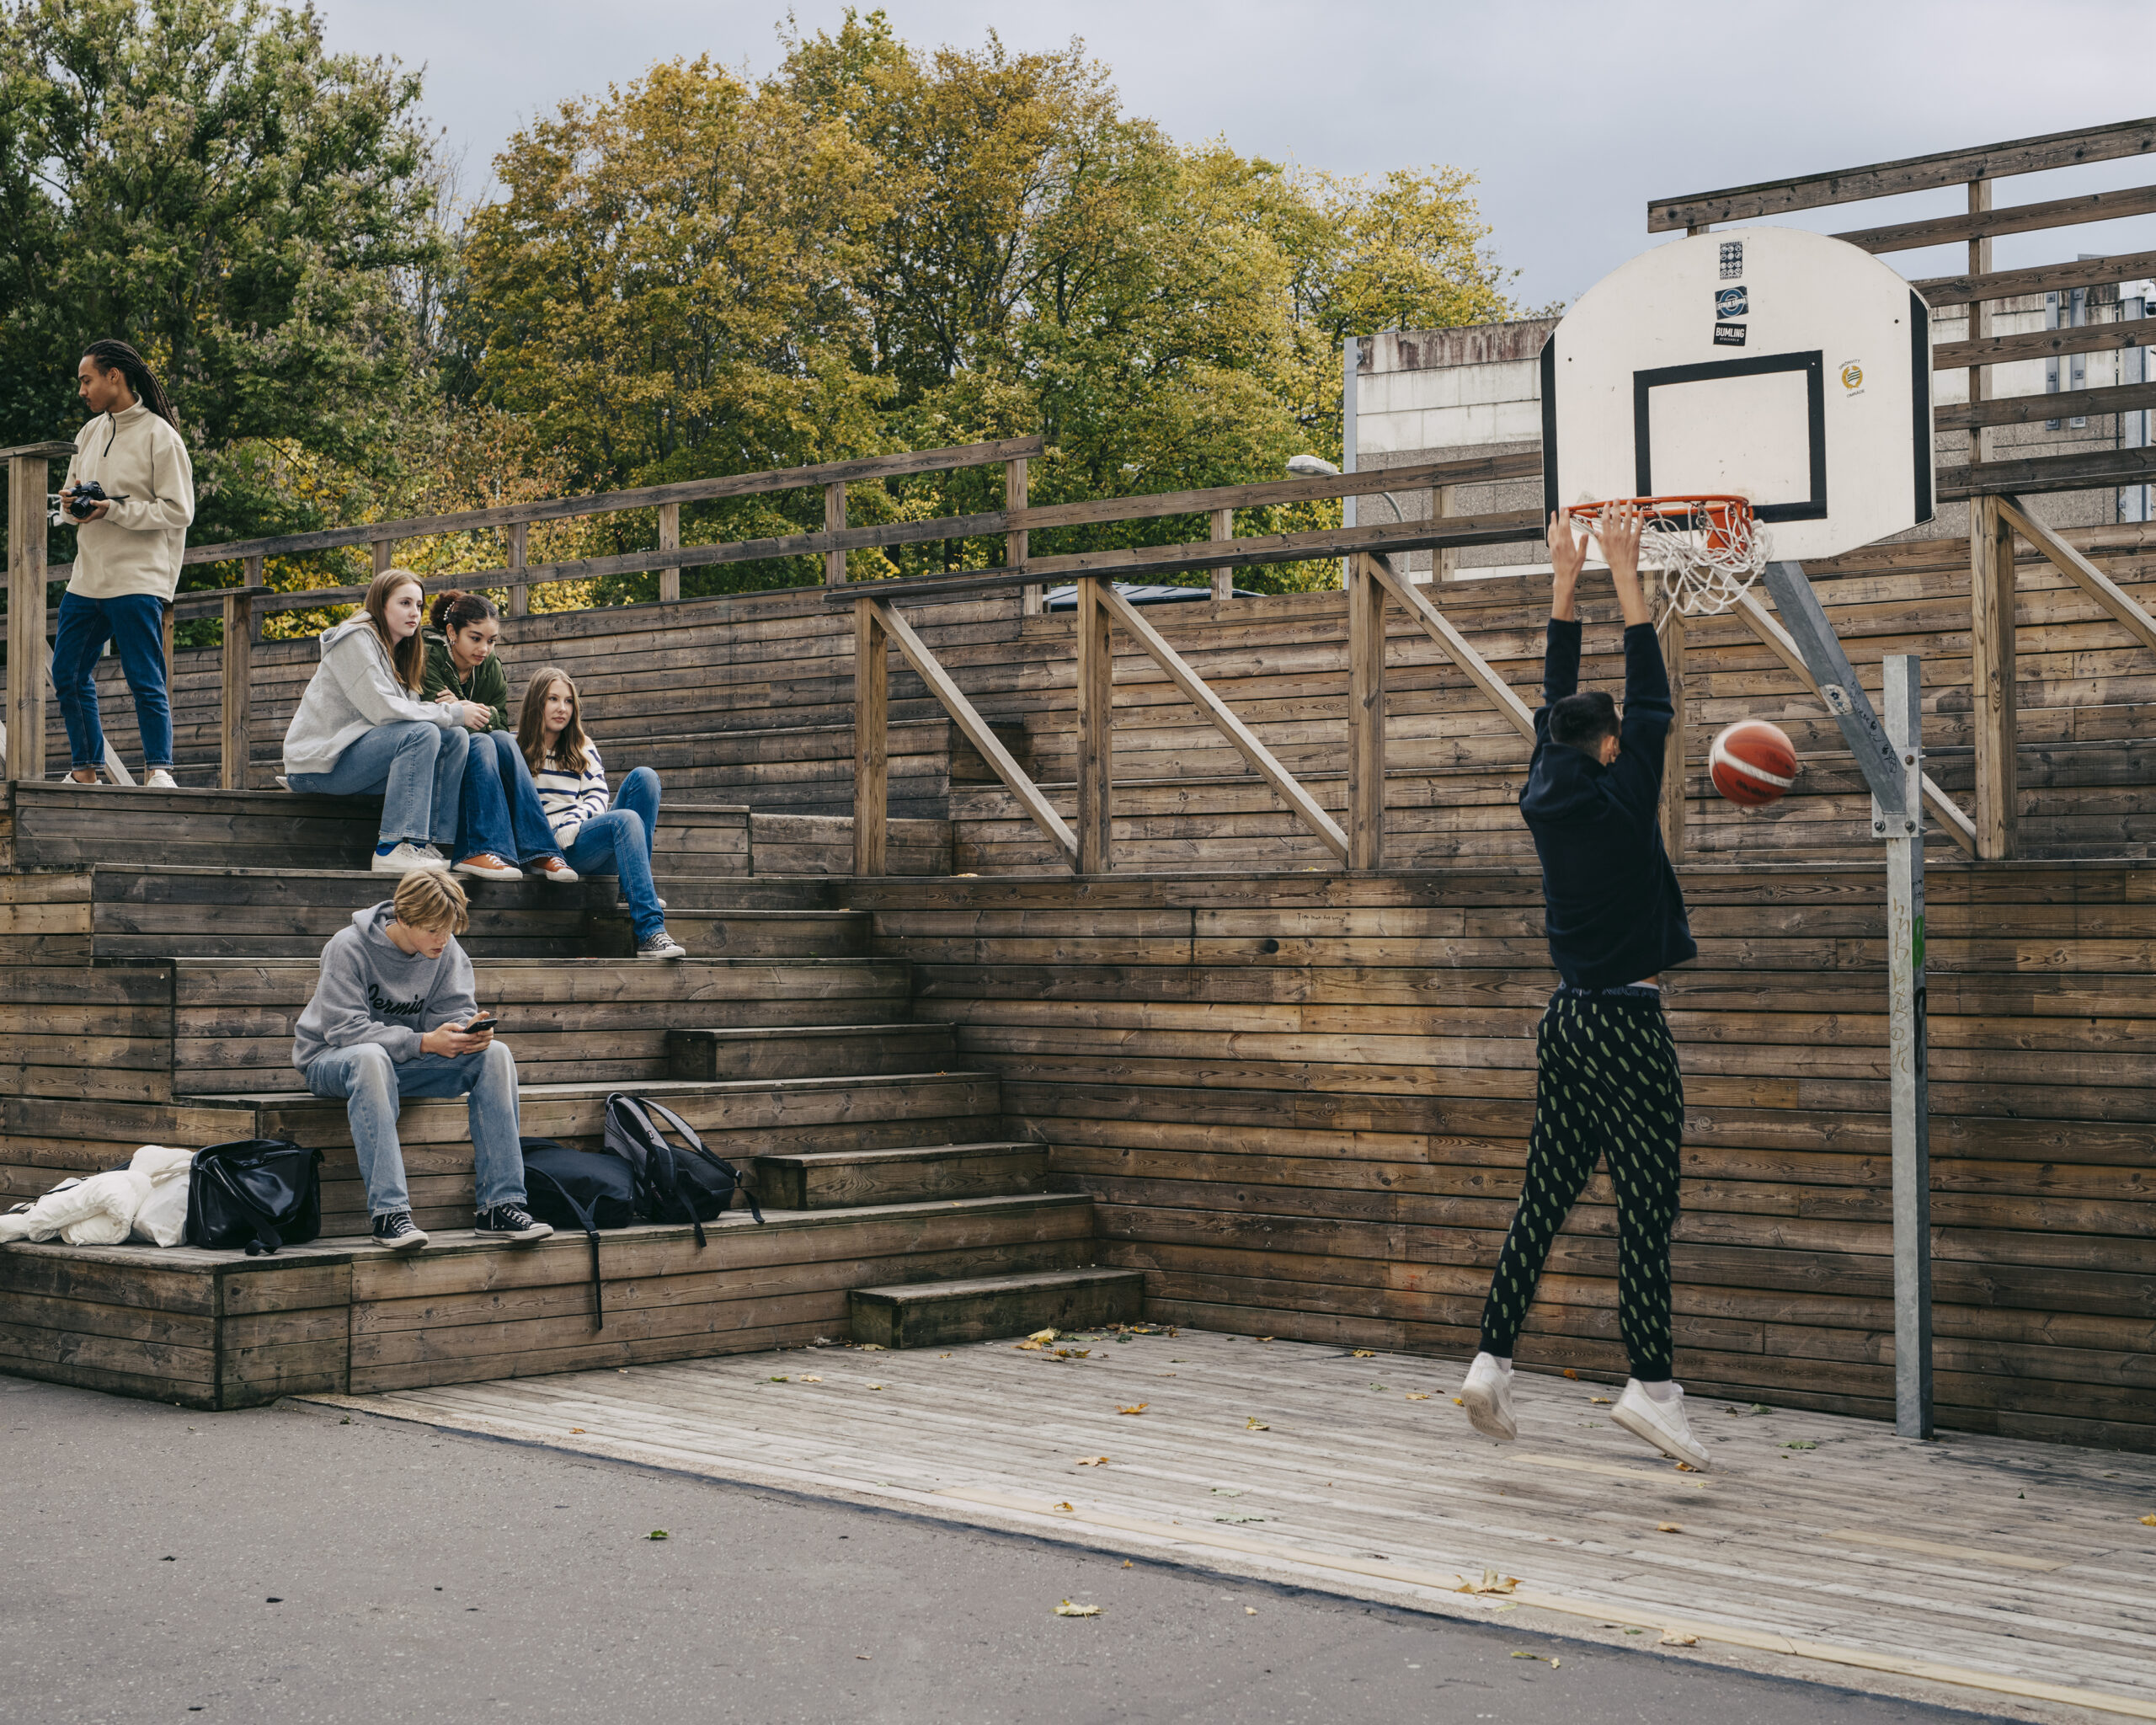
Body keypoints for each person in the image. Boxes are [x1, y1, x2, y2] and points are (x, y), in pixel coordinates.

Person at [1459, 505, 1707, 1470]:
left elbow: (1564, 698)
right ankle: (1652, 1385)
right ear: (1607, 745)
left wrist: (1568, 580)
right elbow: (1650, 690)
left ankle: (1490, 1359)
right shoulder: (1619, 783)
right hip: (1626, 1021)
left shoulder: (1545, 785)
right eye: (1615, 737)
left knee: (1545, 1195)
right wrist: (1626, 571)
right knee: (1647, 1206)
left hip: (1564, 1020)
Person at [291, 868, 553, 1252]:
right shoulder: (348, 946)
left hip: (400, 1061)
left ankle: (500, 1205)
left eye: (449, 930)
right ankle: (389, 1214)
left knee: (494, 1054)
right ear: (403, 917)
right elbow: (344, 1030)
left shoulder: (446, 951)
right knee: (370, 1056)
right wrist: (423, 1043)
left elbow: (449, 1014)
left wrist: (467, 1032)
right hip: (331, 1060)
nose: (442, 939)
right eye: (433, 930)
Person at [52, 339, 195, 788]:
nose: (82, 390)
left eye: (87, 379)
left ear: (115, 376)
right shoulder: (89, 433)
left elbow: (179, 510)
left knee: (143, 676)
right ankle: (86, 770)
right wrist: (70, 505)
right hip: (88, 575)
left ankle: (159, 769)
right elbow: (75, 493)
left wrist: (112, 509)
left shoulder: (161, 436)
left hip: (139, 577)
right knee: (67, 672)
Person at [282, 568, 471, 875]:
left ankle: (427, 844)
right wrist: (453, 713)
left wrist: (452, 714)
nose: (415, 613)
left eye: (419, 606)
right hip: (317, 764)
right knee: (425, 733)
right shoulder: (354, 640)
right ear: (381, 605)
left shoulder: (400, 651)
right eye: (405, 603)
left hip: (355, 758)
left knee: (455, 738)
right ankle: (392, 846)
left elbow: (403, 715)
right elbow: (383, 710)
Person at [517, 666, 686, 959]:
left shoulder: (581, 746)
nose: (562, 708)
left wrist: (572, 823)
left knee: (644, 777)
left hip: (584, 839)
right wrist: (557, 832)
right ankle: (651, 931)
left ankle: (629, 890)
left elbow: (597, 795)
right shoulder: (515, 747)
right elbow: (521, 810)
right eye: (553, 699)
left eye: (569, 701)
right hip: (550, 852)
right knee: (626, 820)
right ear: (536, 703)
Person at [419, 590, 579, 884]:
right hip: (436, 755)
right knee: (481, 741)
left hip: (482, 757)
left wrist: (464, 708)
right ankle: (479, 850)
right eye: (476, 638)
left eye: (491, 641)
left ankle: (540, 852)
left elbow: (501, 724)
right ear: (452, 632)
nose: (485, 649)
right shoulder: (426, 655)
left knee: (504, 741)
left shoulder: (490, 667)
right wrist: (465, 714)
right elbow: (434, 716)